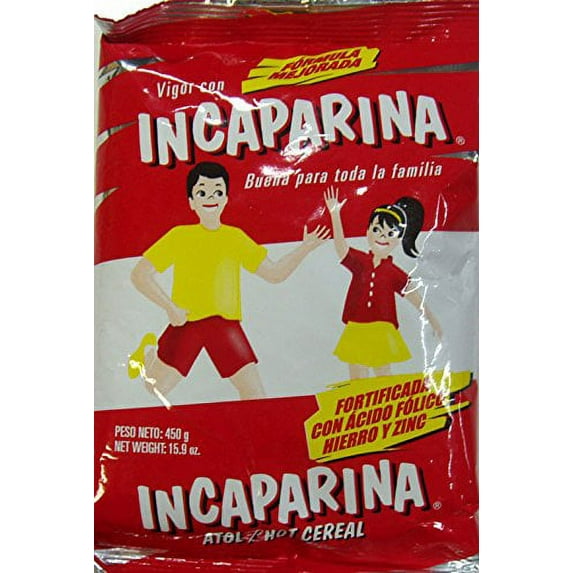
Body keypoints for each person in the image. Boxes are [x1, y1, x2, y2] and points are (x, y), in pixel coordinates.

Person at [129, 162, 330, 406]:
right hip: (186, 321)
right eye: (202, 192)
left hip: (224, 325)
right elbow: (140, 274)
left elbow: (274, 273)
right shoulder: (179, 236)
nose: (210, 198)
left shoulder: (235, 238)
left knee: (255, 395)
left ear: (225, 199)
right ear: (191, 201)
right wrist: (170, 307)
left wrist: (305, 248)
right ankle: (149, 357)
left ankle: (248, 431)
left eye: (217, 191)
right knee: (155, 388)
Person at [324, 186, 442, 380]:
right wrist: (335, 215)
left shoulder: (394, 272)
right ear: (367, 231)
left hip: (381, 329)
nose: (382, 236)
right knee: (357, 375)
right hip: (357, 328)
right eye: (376, 229)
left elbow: (414, 297)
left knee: (383, 376)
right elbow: (341, 248)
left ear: (399, 239)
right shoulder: (360, 262)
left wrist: (434, 322)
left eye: (390, 233)